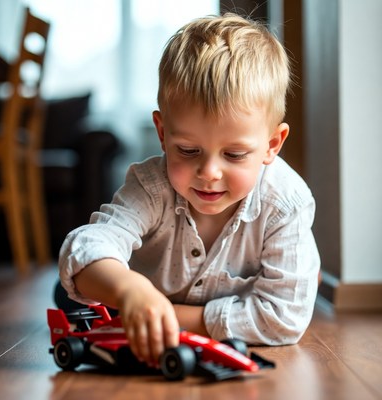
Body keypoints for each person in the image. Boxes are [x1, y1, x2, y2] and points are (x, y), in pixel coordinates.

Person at [58, 13, 320, 367]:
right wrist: (129, 291)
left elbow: (284, 319)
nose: (209, 173)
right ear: (163, 134)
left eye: (234, 154)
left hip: (149, 317)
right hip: (129, 303)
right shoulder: (151, 186)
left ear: (272, 144)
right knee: (73, 296)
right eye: (188, 151)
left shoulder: (286, 203)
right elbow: (85, 247)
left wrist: (168, 316)